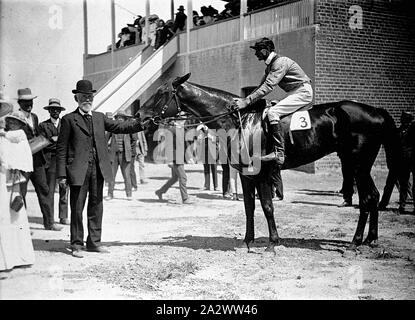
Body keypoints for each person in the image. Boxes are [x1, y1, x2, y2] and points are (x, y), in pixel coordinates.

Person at [56, 80, 144, 258]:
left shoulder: (99, 117)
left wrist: (142, 123)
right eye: (83, 97)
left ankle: (94, 243)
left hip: (98, 169)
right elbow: (61, 148)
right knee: (77, 208)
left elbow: (120, 127)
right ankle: (77, 245)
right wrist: (62, 174)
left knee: (97, 207)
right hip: (77, 171)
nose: (87, 100)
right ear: (76, 98)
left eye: (89, 97)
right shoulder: (68, 120)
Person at [233, 37, 313, 165]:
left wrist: (246, 102)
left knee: (272, 113)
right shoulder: (270, 66)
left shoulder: (279, 63)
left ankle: (279, 152)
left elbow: (268, 87)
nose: (255, 54)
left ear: (265, 51)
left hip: (303, 92)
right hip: (294, 92)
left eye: (257, 51)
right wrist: (244, 99)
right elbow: (260, 87)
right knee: (270, 109)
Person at [16, 88, 62, 231]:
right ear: (20, 103)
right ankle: (22, 226)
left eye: (30, 101)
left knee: (44, 189)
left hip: (37, 161)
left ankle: (49, 223)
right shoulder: (15, 118)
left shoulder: (34, 117)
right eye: (25, 102)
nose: (29, 104)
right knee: (21, 193)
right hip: (23, 162)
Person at [0, 96, 35, 271]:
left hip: (8, 181)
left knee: (13, 215)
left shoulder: (14, 136)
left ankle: (17, 256)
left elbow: (14, 156)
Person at [39, 98, 69, 225]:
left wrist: (56, 140)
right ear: (49, 111)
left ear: (60, 111)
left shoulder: (66, 123)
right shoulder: (43, 125)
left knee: (64, 188)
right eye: (53, 109)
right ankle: (50, 219)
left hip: (64, 160)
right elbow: (42, 143)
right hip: (50, 160)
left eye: (57, 109)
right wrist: (54, 140)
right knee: (50, 190)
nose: (55, 111)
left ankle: (63, 216)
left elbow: (70, 141)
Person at [379, 111, 414, 213]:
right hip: (395, 163)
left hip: (406, 163)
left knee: (403, 185)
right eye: (403, 119)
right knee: (389, 184)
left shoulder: (412, 134)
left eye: (406, 119)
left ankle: (402, 205)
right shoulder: (396, 132)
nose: (404, 121)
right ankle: (383, 203)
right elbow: (391, 149)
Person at [154, 121, 191, 204]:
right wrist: (169, 160)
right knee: (183, 177)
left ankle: (160, 191)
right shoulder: (171, 130)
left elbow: (184, 143)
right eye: (183, 119)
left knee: (175, 178)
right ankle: (185, 198)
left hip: (179, 157)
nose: (184, 121)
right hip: (175, 158)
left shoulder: (181, 129)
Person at [105, 111, 137, 201]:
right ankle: (110, 194)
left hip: (125, 155)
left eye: (122, 117)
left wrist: (129, 150)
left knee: (127, 176)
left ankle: (129, 194)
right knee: (112, 176)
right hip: (113, 155)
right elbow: (105, 140)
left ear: (125, 119)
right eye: (118, 117)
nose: (120, 119)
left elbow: (134, 140)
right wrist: (108, 150)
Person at [197, 124, 218, 191]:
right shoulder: (200, 129)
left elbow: (218, 139)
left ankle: (216, 186)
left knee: (214, 169)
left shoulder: (213, 128)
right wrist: (199, 138)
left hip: (212, 151)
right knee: (206, 169)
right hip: (204, 151)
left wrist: (210, 137)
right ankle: (207, 185)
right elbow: (197, 141)